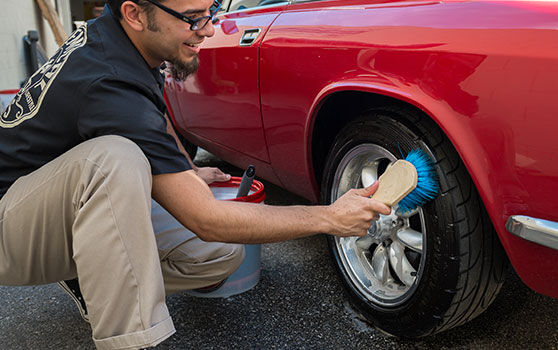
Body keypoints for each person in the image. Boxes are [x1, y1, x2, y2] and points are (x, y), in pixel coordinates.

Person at [0, 0, 391, 349]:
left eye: (212, 10)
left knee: (218, 255)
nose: (208, 28)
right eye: (192, 18)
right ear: (135, 13)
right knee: (114, 159)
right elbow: (206, 219)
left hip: (57, 205)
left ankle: (92, 277)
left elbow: (151, 114)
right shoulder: (108, 82)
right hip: (10, 229)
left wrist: (187, 170)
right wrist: (329, 217)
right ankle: (130, 341)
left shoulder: (125, 42)